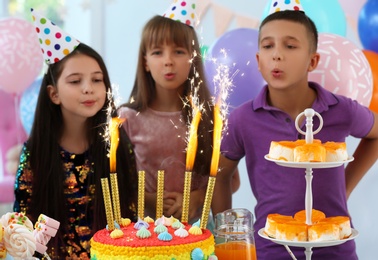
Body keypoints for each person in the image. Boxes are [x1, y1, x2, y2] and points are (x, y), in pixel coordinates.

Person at [213, 9, 378, 260]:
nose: (277, 55)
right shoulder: (243, 118)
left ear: (312, 61)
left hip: (335, 249)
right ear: (258, 60)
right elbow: (220, 174)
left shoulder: (340, 109)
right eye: (268, 46)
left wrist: (346, 185)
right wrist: (225, 240)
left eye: (290, 46)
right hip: (271, 250)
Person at [13, 10, 137, 259]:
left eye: (97, 79)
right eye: (75, 81)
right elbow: (22, 229)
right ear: (53, 94)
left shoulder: (116, 142)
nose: (89, 89)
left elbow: (131, 214)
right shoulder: (36, 153)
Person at [118, 2, 239, 225]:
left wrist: (198, 197)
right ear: (145, 62)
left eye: (179, 51)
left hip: (199, 233)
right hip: (145, 235)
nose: (168, 61)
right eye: (157, 52)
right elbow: (114, 183)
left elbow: (231, 181)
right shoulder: (126, 118)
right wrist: (148, 199)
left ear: (193, 58)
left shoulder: (211, 116)